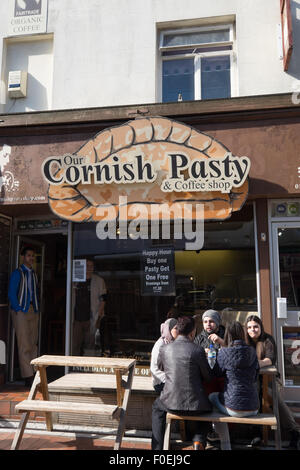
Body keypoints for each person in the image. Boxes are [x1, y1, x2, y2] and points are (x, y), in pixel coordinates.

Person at [151, 316, 214, 450]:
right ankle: (198, 440)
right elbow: (208, 377)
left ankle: (157, 449)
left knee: (157, 408)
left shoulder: (165, 348)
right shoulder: (198, 350)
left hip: (170, 403)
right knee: (211, 407)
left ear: (178, 330)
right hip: (197, 405)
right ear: (192, 332)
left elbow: (162, 368)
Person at [245, 315, 300, 449]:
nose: (253, 330)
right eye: (250, 327)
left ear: (260, 327)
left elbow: (270, 359)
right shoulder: (245, 341)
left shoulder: (268, 339)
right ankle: (256, 433)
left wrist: (255, 363)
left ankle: (294, 431)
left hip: (269, 379)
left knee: (272, 395)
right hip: (251, 380)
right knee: (252, 393)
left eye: (255, 327)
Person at [209, 321, 260, 417]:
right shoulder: (252, 351)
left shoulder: (224, 352)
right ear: (242, 334)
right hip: (254, 407)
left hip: (233, 408)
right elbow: (255, 375)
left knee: (212, 397)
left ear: (227, 334)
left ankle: (220, 432)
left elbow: (216, 373)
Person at [8, 246, 39, 387]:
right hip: (21, 311)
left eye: (33, 256)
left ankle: (34, 373)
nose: (31, 258)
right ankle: (28, 377)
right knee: (24, 344)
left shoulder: (33, 274)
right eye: (28, 255)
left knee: (33, 343)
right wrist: (18, 309)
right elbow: (11, 293)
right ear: (23, 257)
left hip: (33, 309)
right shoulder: (17, 273)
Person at [72, 258, 107, 355]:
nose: (89, 268)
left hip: (92, 318)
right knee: (74, 345)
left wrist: (98, 317)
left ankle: (88, 369)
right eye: (86, 266)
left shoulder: (99, 280)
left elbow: (103, 299)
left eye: (91, 266)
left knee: (90, 346)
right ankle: (72, 367)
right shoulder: (75, 279)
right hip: (76, 318)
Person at [150, 318, 178, 393]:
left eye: (179, 328)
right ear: (168, 329)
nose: (178, 331)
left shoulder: (174, 343)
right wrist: (171, 380)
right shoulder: (160, 344)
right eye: (175, 328)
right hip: (161, 382)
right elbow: (155, 369)